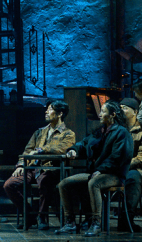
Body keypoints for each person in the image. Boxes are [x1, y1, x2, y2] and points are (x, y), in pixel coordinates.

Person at [53, 101, 132, 236]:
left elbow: (118, 157)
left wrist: (101, 170)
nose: (100, 114)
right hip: (95, 173)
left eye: (103, 111)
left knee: (94, 183)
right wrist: (74, 150)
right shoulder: (99, 131)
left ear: (112, 114)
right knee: (64, 184)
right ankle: (70, 223)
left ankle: (96, 223)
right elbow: (83, 143)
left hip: (114, 175)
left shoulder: (121, 133)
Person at [3, 99, 76, 230]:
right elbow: (27, 150)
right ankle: (29, 215)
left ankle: (42, 216)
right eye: (46, 109)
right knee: (9, 185)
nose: (46, 112)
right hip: (31, 167)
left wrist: (40, 150)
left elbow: (61, 149)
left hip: (50, 168)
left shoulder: (68, 134)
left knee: (45, 182)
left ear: (60, 113)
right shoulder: (39, 132)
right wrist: (20, 165)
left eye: (50, 109)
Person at [119, 98, 142, 231]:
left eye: (125, 108)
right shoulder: (117, 131)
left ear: (135, 112)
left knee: (133, 178)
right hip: (116, 168)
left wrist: (124, 166)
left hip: (136, 169)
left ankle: (127, 219)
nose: (121, 110)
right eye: (120, 108)